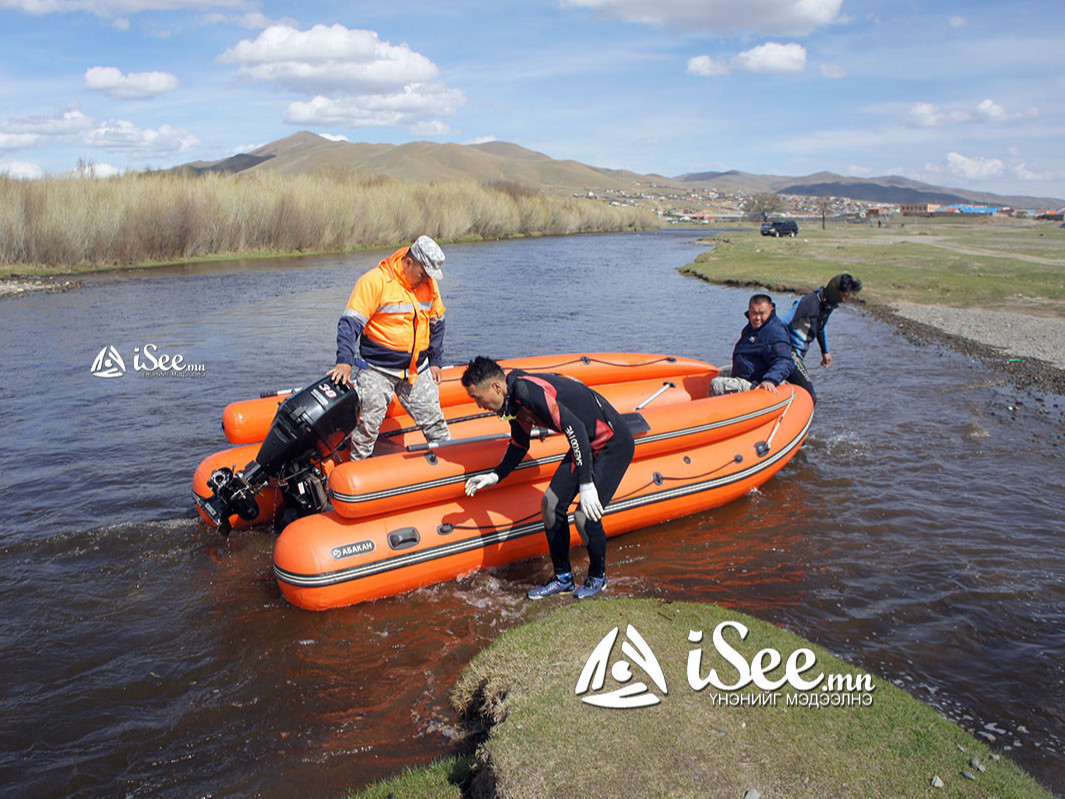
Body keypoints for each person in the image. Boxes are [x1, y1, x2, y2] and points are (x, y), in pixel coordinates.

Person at [461, 356, 635, 600]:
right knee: (551, 505)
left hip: (612, 443)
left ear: (496, 387)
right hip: (586, 443)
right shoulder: (512, 402)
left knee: (585, 516)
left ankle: (598, 577)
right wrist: (495, 475)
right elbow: (519, 445)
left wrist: (586, 484)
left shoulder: (526, 391)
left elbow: (574, 428)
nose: (479, 405)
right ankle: (563, 578)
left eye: (477, 398)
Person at [327, 235, 451, 459]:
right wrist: (344, 360)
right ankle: (358, 472)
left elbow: (437, 323)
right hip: (377, 370)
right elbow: (349, 323)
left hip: (416, 369)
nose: (426, 280)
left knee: (435, 421)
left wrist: (436, 361)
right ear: (409, 262)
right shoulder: (375, 281)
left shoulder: (429, 285)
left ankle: (449, 466)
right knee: (367, 426)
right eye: (423, 274)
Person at [778, 273, 862, 403]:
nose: (844, 300)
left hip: (796, 355)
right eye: (843, 296)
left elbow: (821, 326)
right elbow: (781, 322)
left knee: (793, 388)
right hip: (789, 352)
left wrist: (825, 351)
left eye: (847, 297)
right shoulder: (808, 303)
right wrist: (780, 347)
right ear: (835, 291)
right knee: (810, 396)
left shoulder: (826, 305)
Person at [710, 294, 794, 397]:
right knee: (720, 374)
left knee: (716, 384)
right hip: (748, 373)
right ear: (749, 310)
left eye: (762, 313)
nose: (757, 318)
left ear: (771, 310)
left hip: (757, 382)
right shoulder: (751, 328)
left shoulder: (775, 332)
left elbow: (785, 360)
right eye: (753, 313)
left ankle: (714, 411)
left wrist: (770, 380)